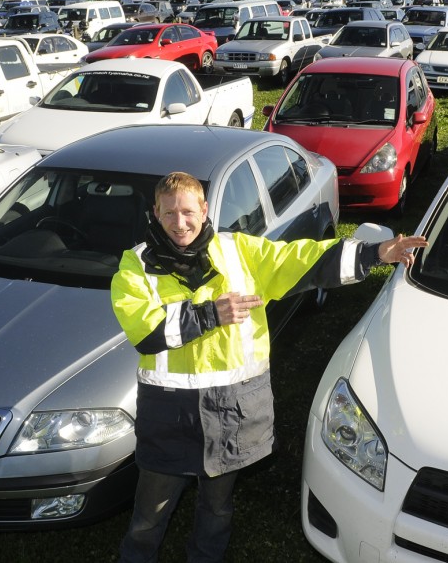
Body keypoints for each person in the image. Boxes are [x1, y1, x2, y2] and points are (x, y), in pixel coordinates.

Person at [110, 171, 428, 562]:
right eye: (169, 213)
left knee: (217, 509)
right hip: (169, 418)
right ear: (155, 213)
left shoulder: (238, 251)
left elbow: (300, 260)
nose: (180, 223)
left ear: (205, 210)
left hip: (230, 414)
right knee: (148, 517)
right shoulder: (135, 266)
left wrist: (372, 253)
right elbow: (147, 332)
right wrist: (210, 314)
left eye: (188, 211)